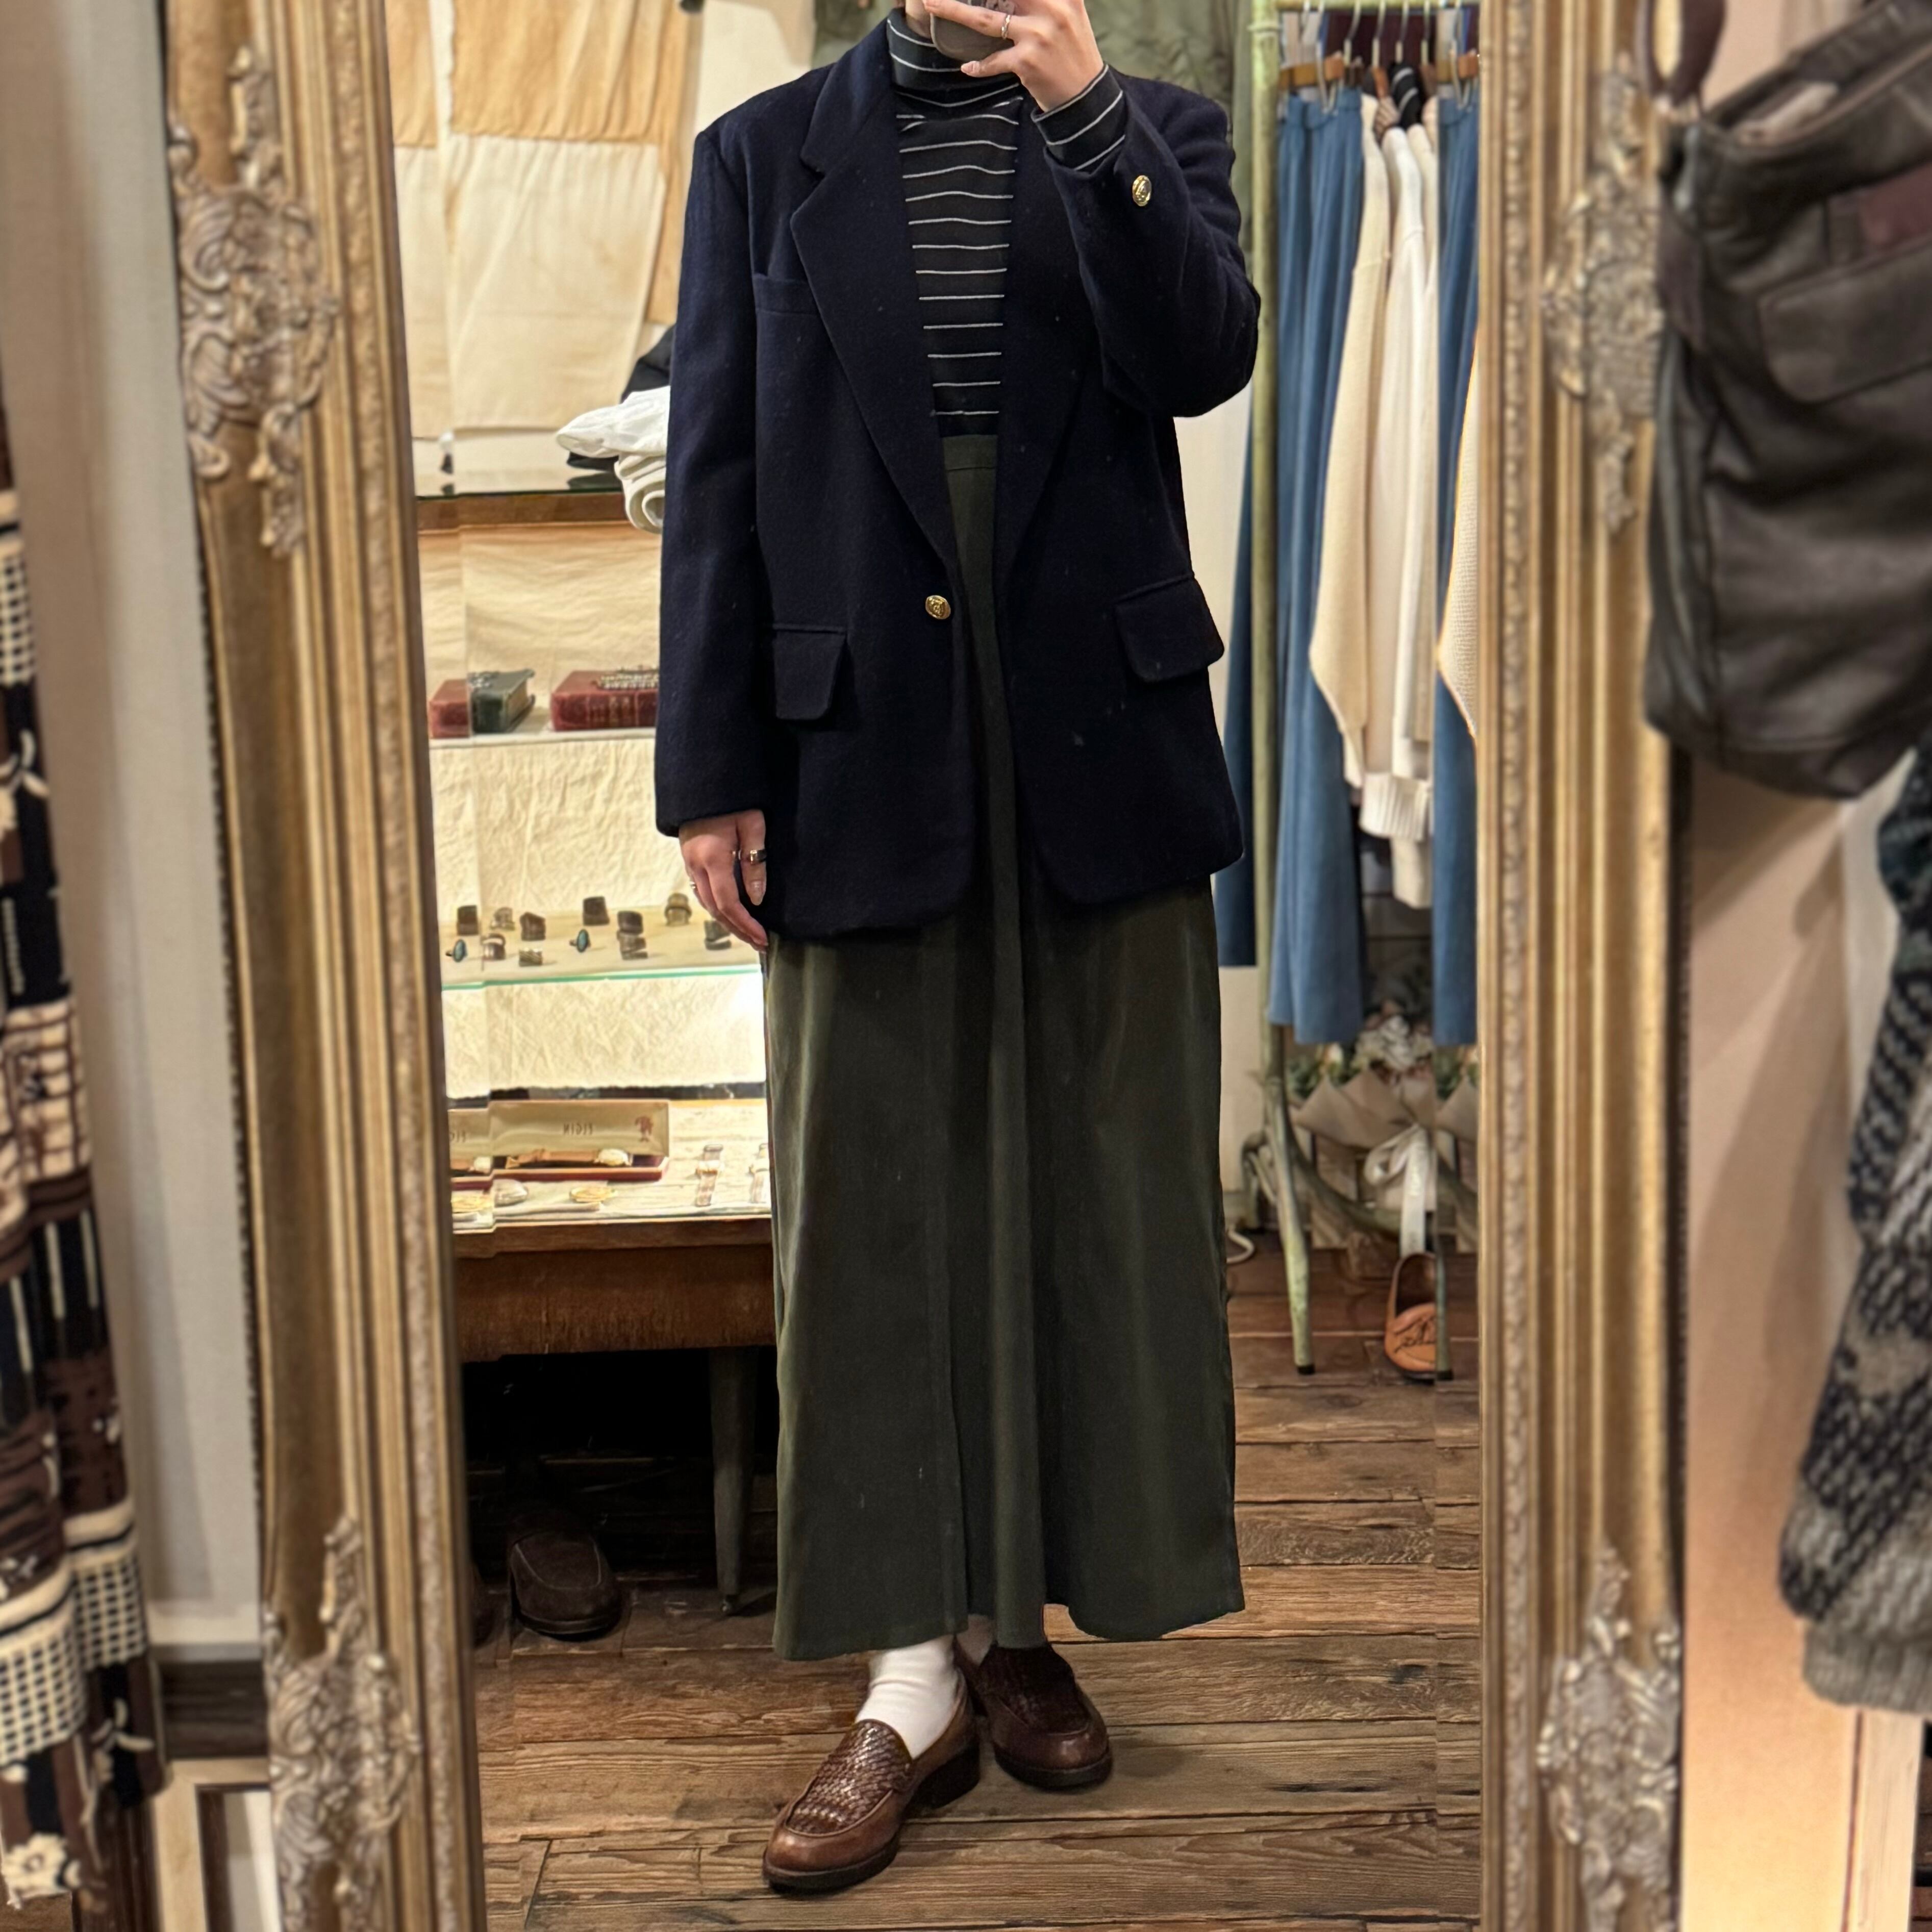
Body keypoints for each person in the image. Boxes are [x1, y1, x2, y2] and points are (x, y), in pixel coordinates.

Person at [656, 0, 1257, 1894]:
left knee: (1093, 1183)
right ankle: (908, 1671)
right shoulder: (760, 156)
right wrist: (708, 771)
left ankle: (1021, 1626)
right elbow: (715, 469)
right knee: (876, 1193)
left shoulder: (1155, 124)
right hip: (853, 742)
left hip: (1097, 729)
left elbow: (1202, 357)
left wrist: (1089, 123)